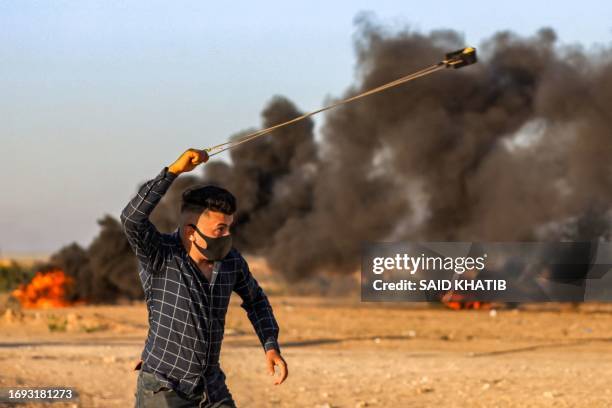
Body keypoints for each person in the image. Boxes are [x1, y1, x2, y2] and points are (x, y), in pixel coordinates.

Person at [121, 148, 288, 407]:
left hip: (211, 386)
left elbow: (256, 301)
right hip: (164, 387)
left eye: (228, 228)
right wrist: (173, 171)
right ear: (191, 232)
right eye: (219, 229)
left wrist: (270, 345)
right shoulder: (162, 255)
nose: (226, 236)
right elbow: (131, 220)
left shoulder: (231, 261)